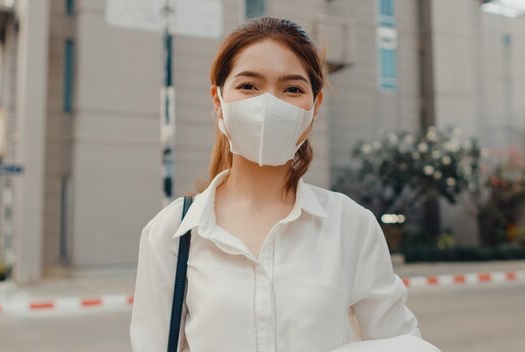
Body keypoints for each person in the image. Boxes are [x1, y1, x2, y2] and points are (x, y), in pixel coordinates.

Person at [130, 16, 440, 352]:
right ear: (218, 99)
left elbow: (401, 342)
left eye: (292, 89)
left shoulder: (350, 225)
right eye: (249, 86)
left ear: (315, 105)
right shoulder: (172, 232)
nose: (269, 104)